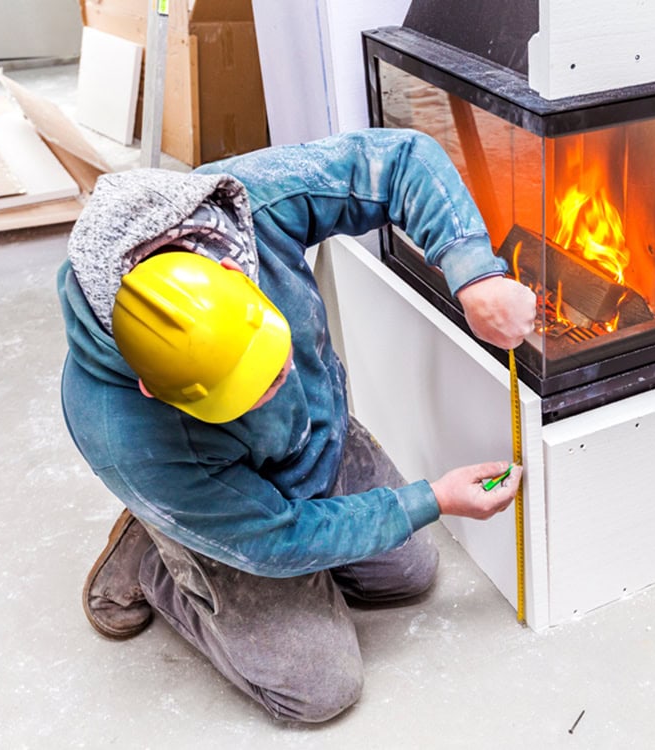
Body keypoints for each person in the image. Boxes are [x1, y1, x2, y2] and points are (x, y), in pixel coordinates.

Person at [58, 129, 537, 723]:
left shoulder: (246, 207)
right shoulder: (123, 433)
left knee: (408, 575)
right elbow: (274, 539)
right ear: (154, 390)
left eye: (275, 359)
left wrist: (475, 274)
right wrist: (431, 499)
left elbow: (400, 159)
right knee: (319, 687)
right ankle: (163, 553)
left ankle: (201, 519)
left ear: (239, 271)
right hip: (234, 499)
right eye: (249, 393)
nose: (280, 386)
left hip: (316, 442)